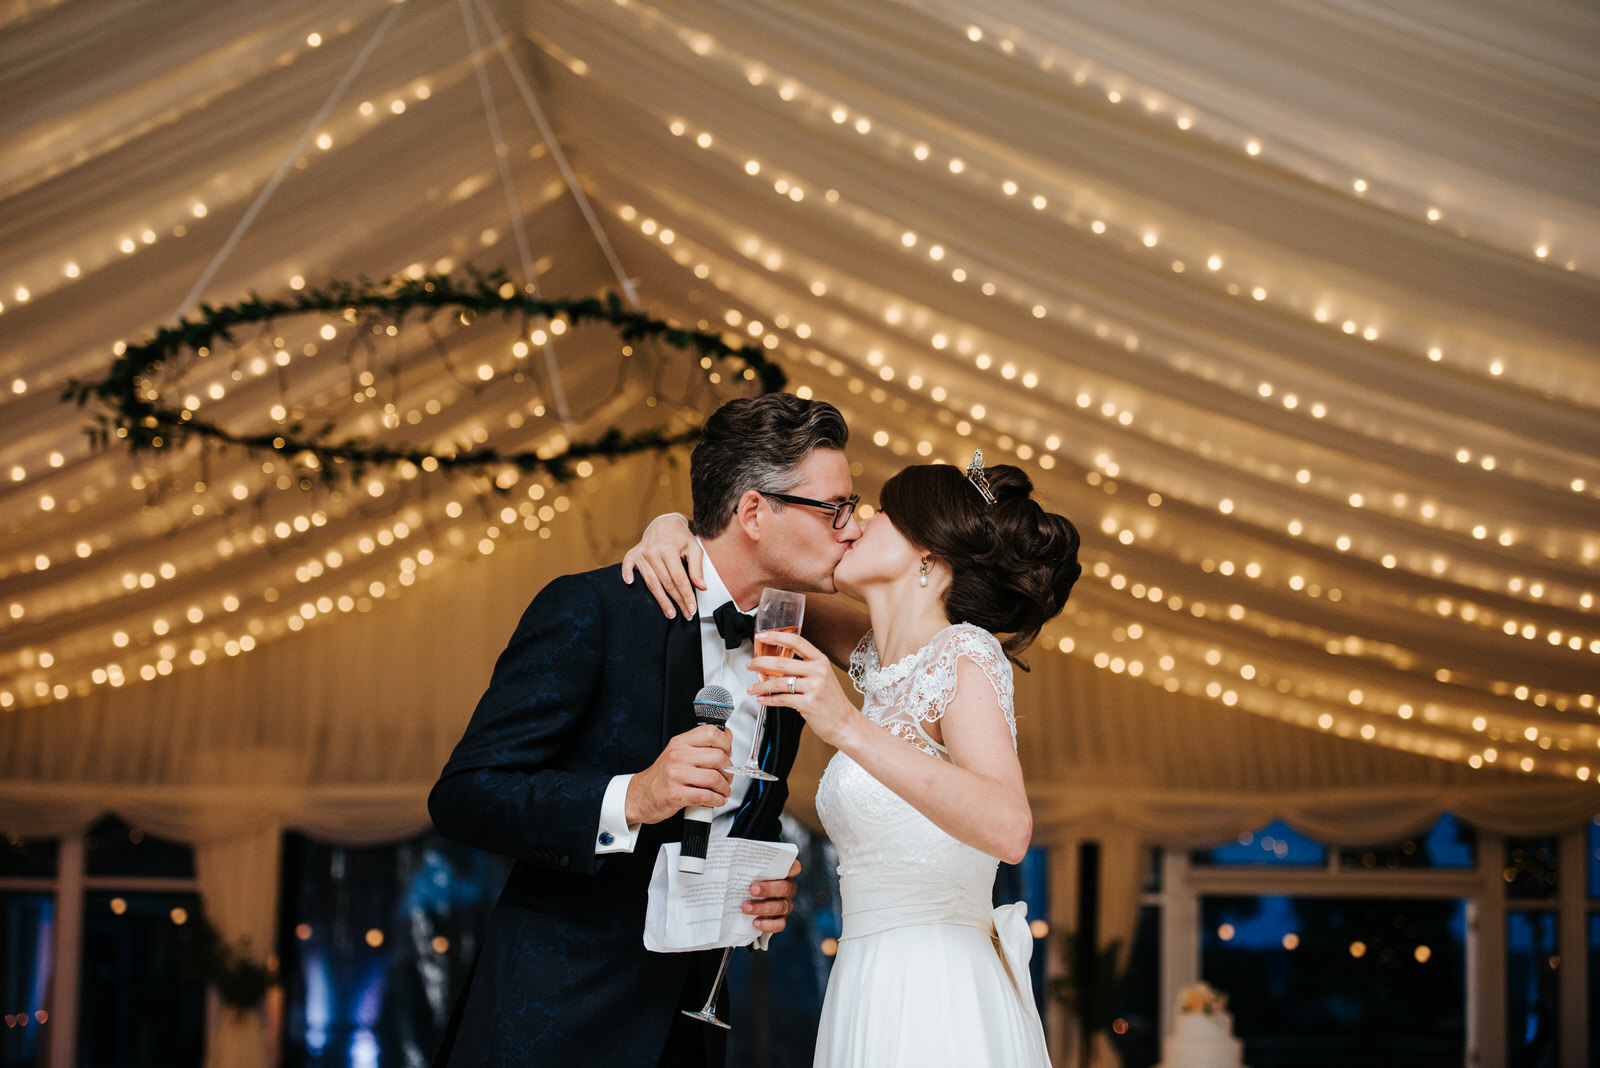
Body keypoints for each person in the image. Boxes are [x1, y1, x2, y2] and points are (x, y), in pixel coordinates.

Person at [427, 392, 862, 1067]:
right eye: (835, 508)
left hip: (693, 1023)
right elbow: (465, 794)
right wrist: (630, 797)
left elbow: (740, 815)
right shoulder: (595, 609)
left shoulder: (788, 640)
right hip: (556, 1020)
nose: (850, 528)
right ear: (753, 511)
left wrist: (757, 882)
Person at [625, 453, 1082, 1067]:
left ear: (930, 556)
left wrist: (844, 723)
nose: (858, 524)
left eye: (883, 514)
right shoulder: (881, 660)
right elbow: (753, 579)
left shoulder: (965, 655)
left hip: (935, 985)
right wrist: (672, 524)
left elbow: (1009, 827)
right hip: (864, 976)